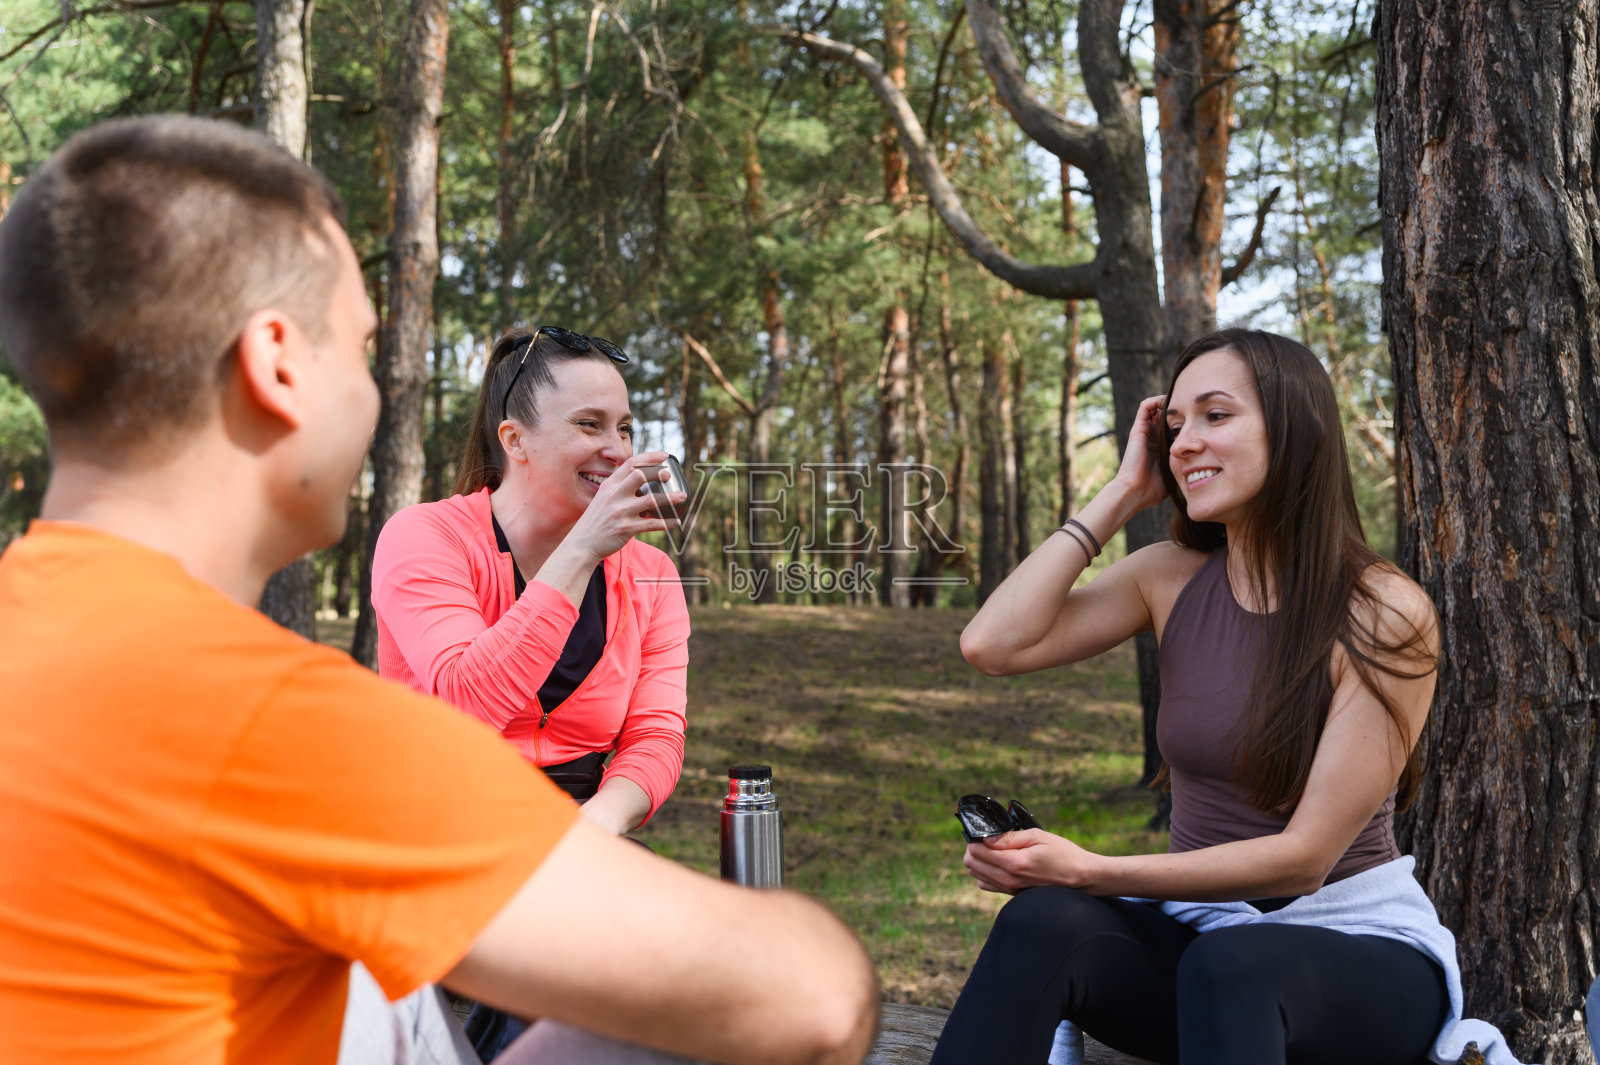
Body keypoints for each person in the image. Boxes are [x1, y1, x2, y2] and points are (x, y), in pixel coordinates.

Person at [0, 115, 878, 1065]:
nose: (375, 394)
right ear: (278, 365)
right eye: (363, 347)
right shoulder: (278, 732)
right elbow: (813, 994)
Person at [935, 329, 1526, 1065]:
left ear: (1297, 428)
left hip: (1357, 954)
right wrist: (1122, 494)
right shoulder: (1169, 576)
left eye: (1216, 415)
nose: (1185, 443)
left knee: (1231, 964)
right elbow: (992, 644)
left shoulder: (1383, 609)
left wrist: (1088, 867)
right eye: (1175, 426)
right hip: (1205, 940)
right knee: (1042, 921)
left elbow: (1303, 859)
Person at [370, 325, 689, 840]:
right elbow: (465, 703)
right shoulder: (424, 537)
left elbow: (655, 736)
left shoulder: (651, 576)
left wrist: (594, 826)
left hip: (584, 837)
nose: (616, 449)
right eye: (590, 425)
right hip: (437, 836)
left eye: (624, 429)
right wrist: (582, 549)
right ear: (514, 439)